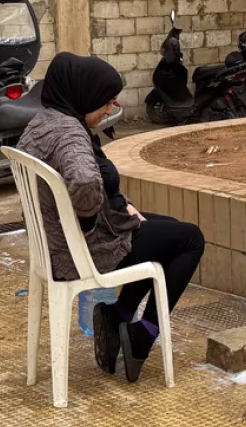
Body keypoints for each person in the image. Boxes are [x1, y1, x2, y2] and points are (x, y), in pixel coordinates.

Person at [17, 53, 205, 383]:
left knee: (169, 230)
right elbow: (86, 181)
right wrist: (88, 226)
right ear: (84, 96)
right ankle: (142, 335)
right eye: (105, 101)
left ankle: (118, 314)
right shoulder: (69, 134)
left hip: (54, 245)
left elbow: (94, 181)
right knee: (190, 239)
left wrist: (122, 205)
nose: (110, 108)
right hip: (77, 253)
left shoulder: (44, 122)